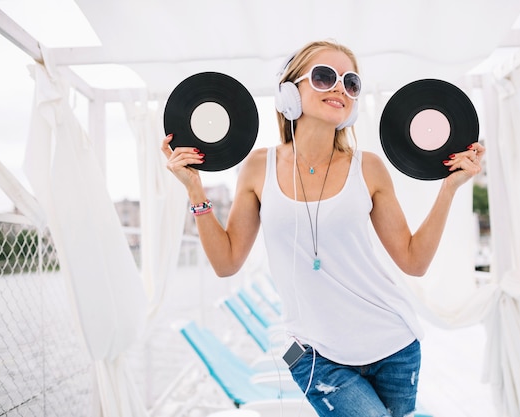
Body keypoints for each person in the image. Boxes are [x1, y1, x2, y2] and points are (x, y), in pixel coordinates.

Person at [162, 40, 484, 417]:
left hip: (394, 345)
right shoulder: (256, 167)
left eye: (351, 83)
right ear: (288, 93)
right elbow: (226, 263)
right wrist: (194, 189)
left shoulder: (369, 167)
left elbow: (414, 261)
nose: (339, 88)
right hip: (312, 353)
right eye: (324, 76)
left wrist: (448, 189)